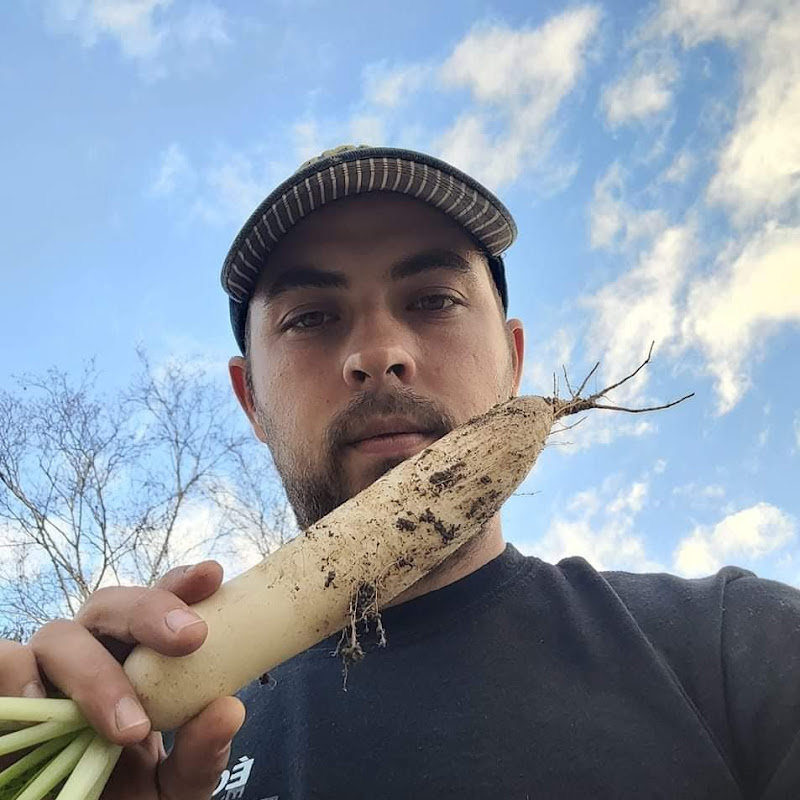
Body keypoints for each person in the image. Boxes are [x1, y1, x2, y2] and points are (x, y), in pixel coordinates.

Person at [1, 145, 799, 800]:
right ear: (250, 400)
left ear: (513, 360)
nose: (379, 353)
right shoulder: (148, 750)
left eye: (434, 299)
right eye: (312, 317)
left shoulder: (738, 648)